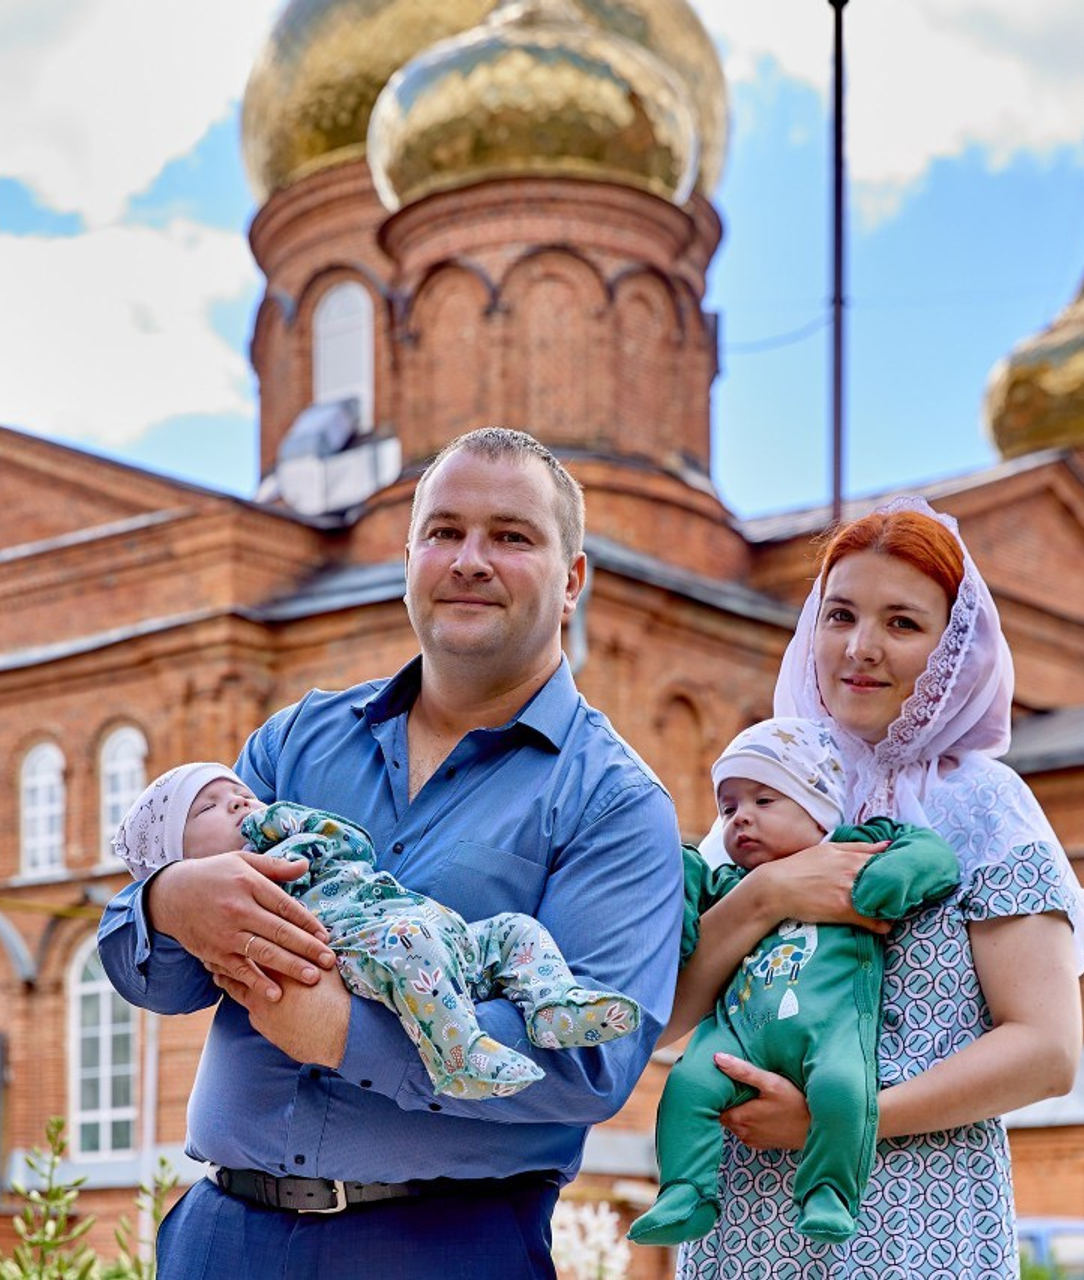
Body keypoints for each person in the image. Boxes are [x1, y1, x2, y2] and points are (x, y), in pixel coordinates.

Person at [97, 427, 684, 1279]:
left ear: (573, 580)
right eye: (444, 532)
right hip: (222, 1237)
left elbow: (590, 1066)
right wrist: (169, 902)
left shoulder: (614, 804)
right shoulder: (295, 741)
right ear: (408, 557)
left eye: (511, 536)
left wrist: (346, 1036)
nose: (469, 560)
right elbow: (153, 974)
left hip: (441, 1246)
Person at [664, 496, 1084, 1278]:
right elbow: (662, 1019)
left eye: (902, 623)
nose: (860, 648)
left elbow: (1048, 1052)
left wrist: (837, 1121)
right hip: (745, 1235)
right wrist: (768, 895)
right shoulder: (757, 798)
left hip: (912, 1225)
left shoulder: (986, 807)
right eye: (840, 615)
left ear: (954, 650)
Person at [112, 761, 640, 1099]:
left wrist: (292, 823)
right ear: (178, 859)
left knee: (515, 931)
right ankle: (457, 1055)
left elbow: (353, 844)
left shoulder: (296, 840)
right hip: (368, 947)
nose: (240, 802)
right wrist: (170, 899)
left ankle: (551, 1005)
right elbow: (167, 978)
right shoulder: (243, 900)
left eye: (242, 794)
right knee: (411, 946)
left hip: (439, 935)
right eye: (208, 807)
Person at [628, 716, 959, 1247]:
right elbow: (685, 900)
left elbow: (931, 856)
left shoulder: (855, 849)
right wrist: (683, 886)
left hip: (828, 1029)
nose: (741, 820)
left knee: (843, 1088)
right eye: (729, 807)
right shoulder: (730, 884)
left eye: (764, 801)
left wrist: (887, 880)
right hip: (738, 1030)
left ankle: (828, 1190)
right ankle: (684, 1191)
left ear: (818, 806)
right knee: (687, 1085)